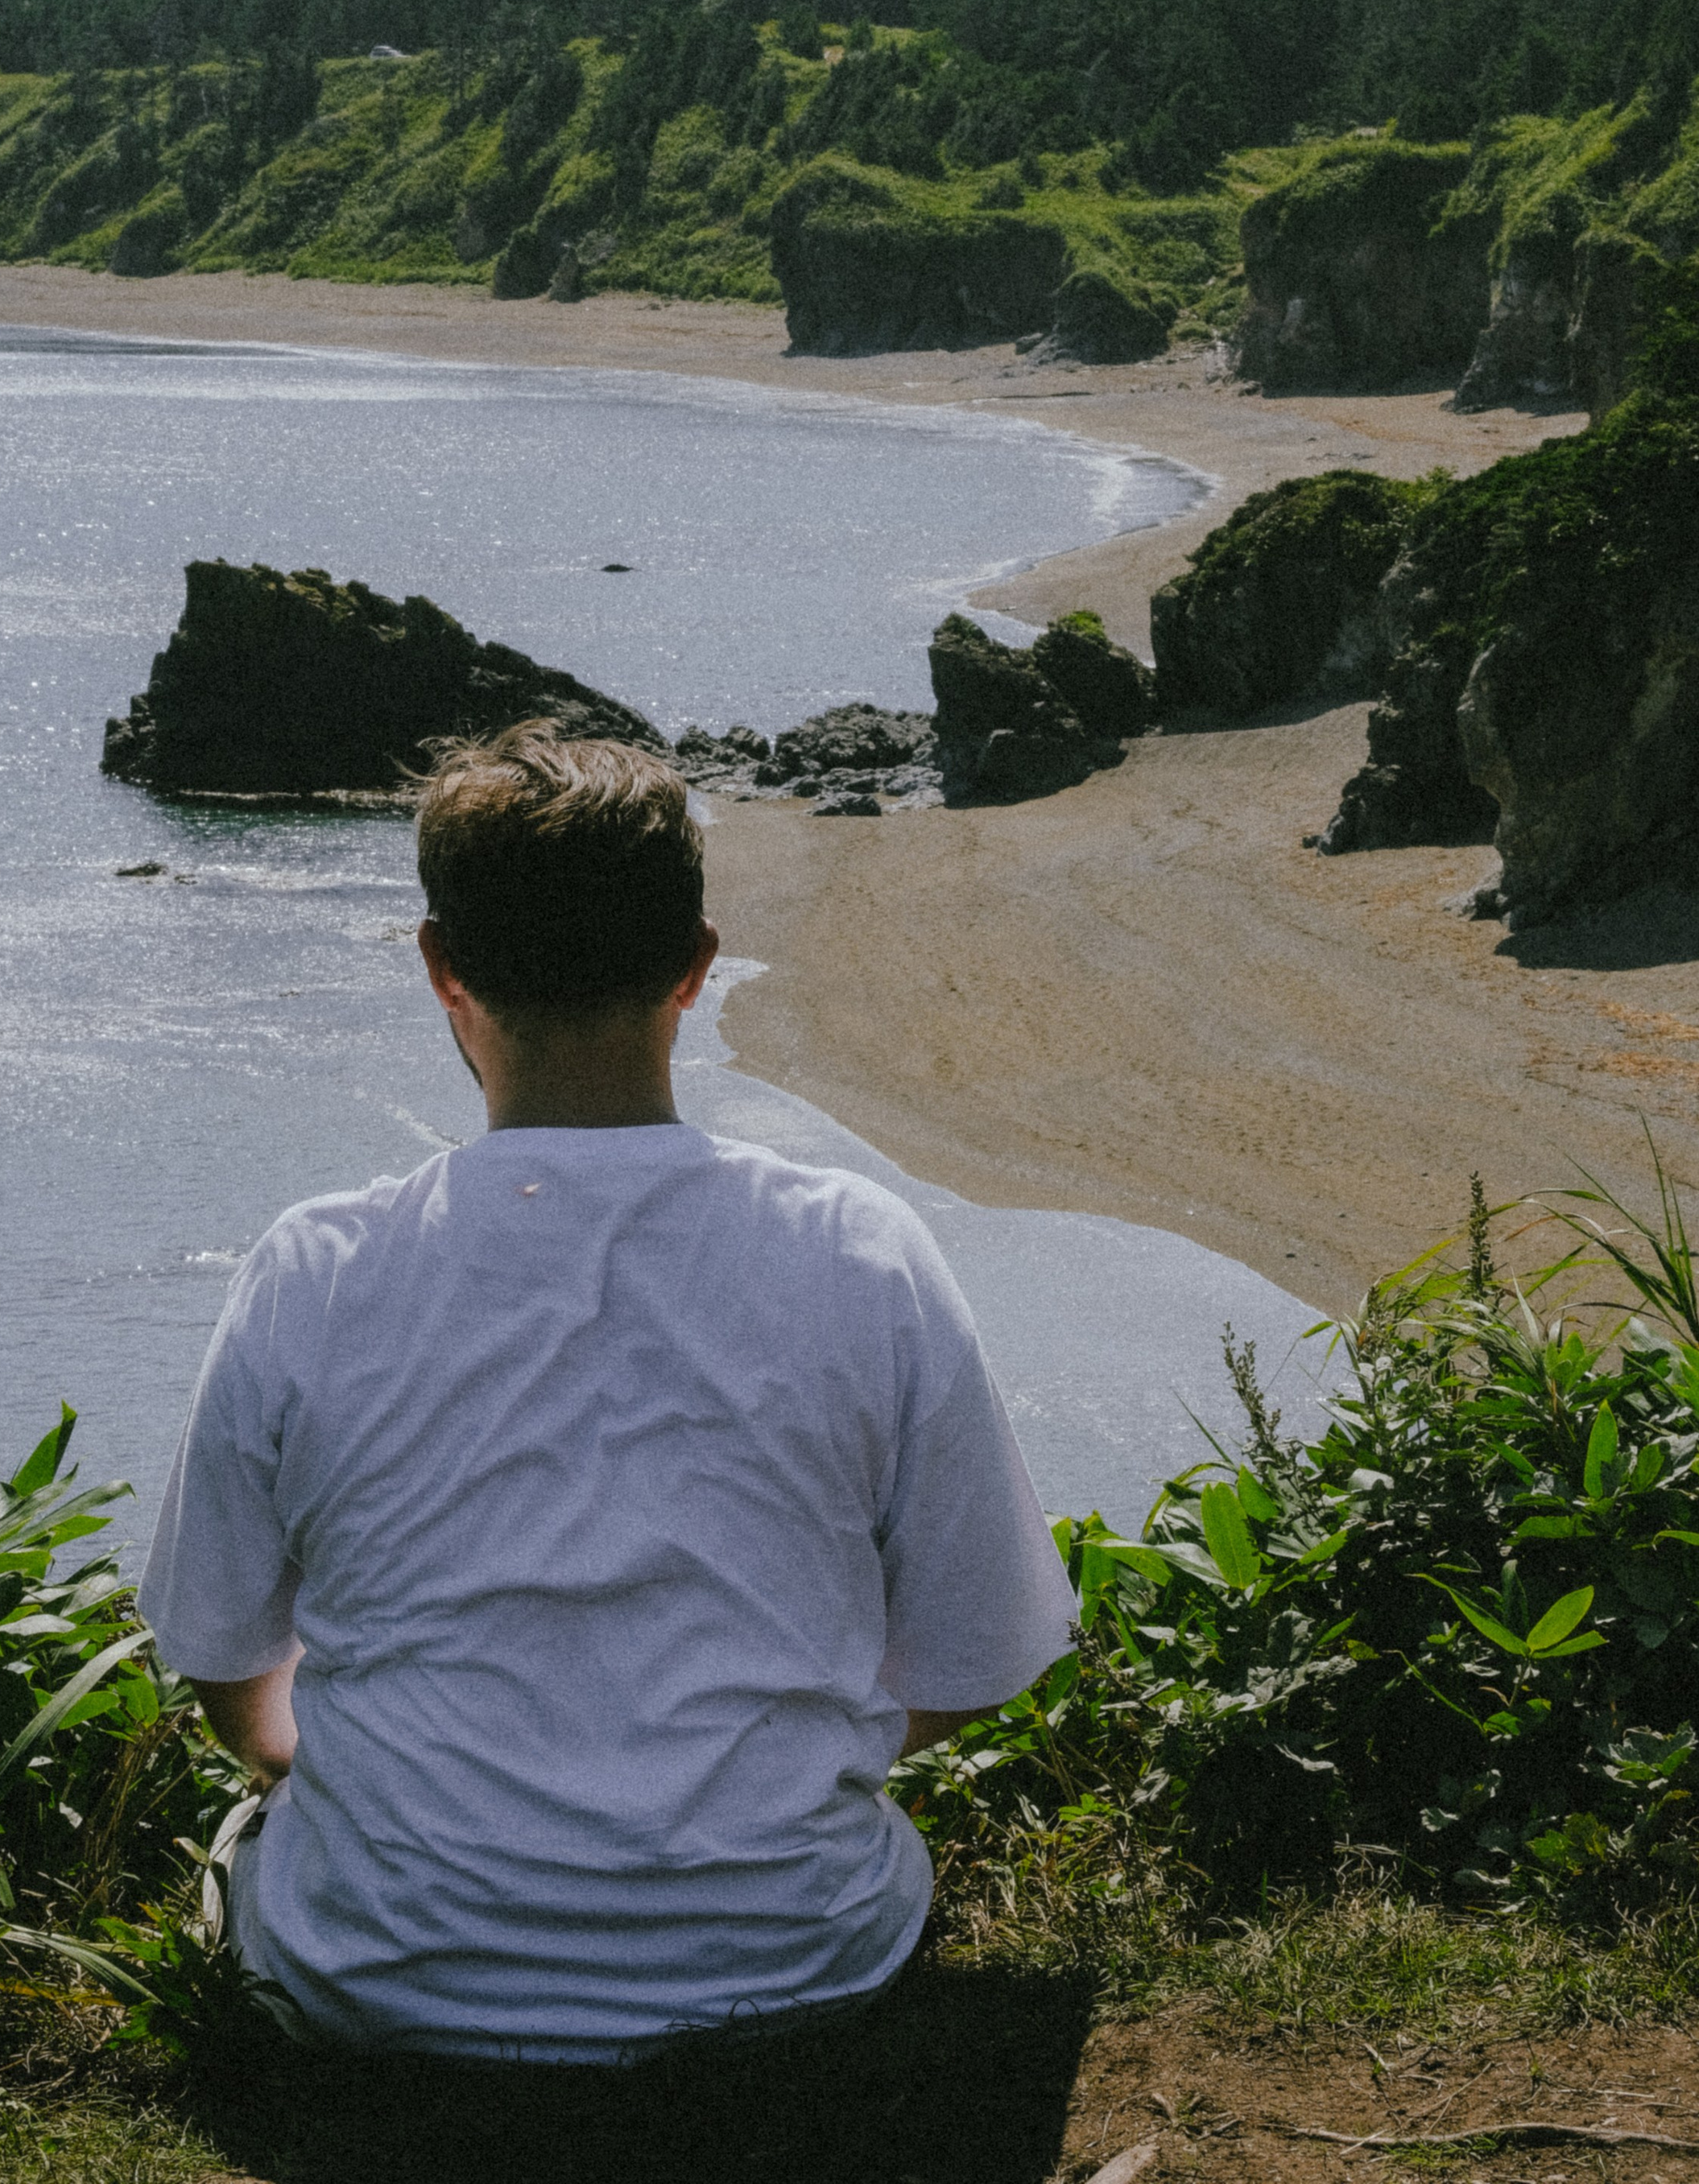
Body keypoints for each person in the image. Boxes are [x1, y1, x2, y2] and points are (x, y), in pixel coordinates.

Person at [138, 722, 1074, 2063]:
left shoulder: (313, 1270)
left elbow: (227, 1667)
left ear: (440, 965)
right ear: (696, 965)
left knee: (251, 1843)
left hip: (384, 1977)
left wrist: (397, 1791)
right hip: (795, 1963)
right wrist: (762, 1766)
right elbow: (980, 1657)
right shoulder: (861, 1252)